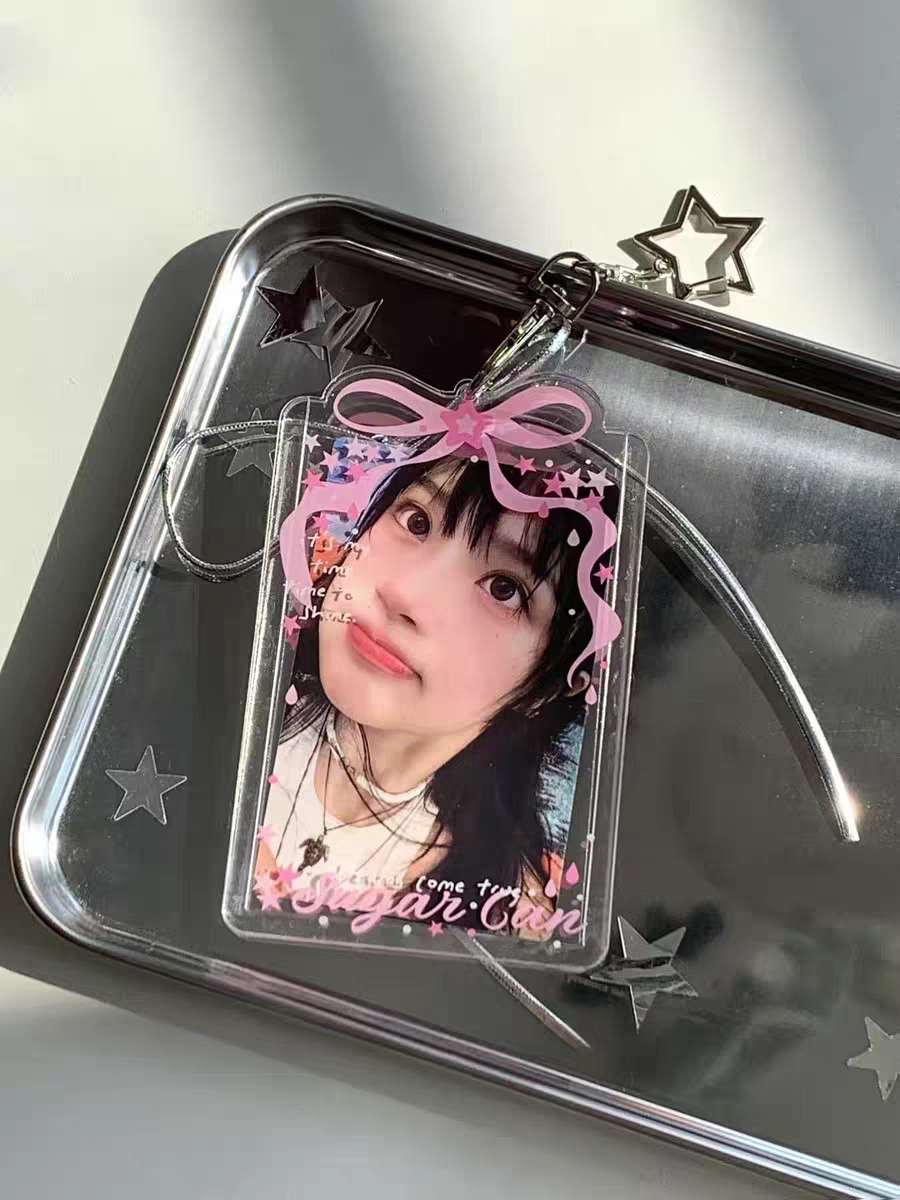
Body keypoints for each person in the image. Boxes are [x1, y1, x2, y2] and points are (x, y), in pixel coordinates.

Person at [255, 449, 616, 932]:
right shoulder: (228, 693)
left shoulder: (513, 915)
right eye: (416, 521)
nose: (403, 594)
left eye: (504, 588)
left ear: (551, 687)